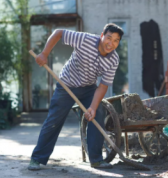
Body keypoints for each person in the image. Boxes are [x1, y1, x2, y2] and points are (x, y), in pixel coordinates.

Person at [28, 23, 124, 170]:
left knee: (98, 112)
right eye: (109, 38)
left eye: (116, 40)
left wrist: (92, 107)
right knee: (54, 120)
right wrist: (44, 54)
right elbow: (59, 32)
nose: (111, 43)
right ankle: (37, 158)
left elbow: (103, 86)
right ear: (102, 36)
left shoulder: (113, 59)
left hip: (88, 88)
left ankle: (96, 159)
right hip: (66, 84)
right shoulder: (85, 40)